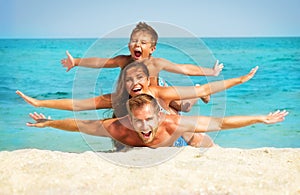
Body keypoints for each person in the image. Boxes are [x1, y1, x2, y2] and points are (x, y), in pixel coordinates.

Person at [17, 62, 258, 147]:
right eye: (129, 79)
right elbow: (78, 108)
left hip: (166, 124)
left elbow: (205, 89)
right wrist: (41, 104)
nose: (134, 83)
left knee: (192, 130)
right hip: (138, 130)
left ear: (148, 80)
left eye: (139, 79)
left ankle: (190, 104)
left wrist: (240, 79)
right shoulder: (117, 100)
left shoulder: (157, 90)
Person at [61, 22, 224, 110]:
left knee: (184, 107)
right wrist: (76, 62)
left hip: (159, 89)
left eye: (143, 42)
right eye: (134, 41)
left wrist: (210, 72)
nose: (137, 44)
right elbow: (100, 62)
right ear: (128, 45)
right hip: (140, 94)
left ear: (152, 49)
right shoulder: (124, 60)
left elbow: (184, 68)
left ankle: (198, 92)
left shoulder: (156, 63)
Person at [26, 94, 288, 148]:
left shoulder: (171, 123)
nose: (145, 126)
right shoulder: (119, 128)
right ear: (129, 120)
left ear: (159, 115)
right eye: (138, 121)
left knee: (198, 137)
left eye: (149, 119)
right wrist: (49, 123)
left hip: (177, 144)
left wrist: (258, 118)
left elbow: (221, 122)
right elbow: (79, 125)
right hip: (133, 147)